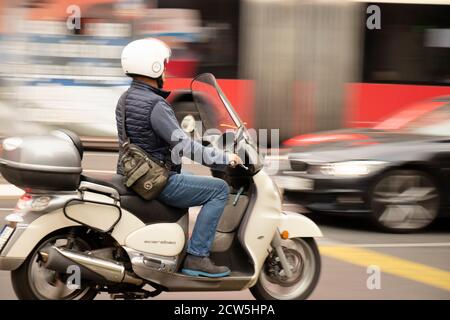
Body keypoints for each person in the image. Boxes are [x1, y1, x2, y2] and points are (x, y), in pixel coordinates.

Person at [116, 38, 243, 278]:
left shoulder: (125, 99)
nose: (166, 69)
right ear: (152, 66)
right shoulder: (156, 105)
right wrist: (224, 158)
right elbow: (185, 147)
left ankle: (177, 243)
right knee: (219, 189)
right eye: (163, 64)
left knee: (192, 177)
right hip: (157, 181)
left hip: (131, 175)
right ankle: (197, 257)